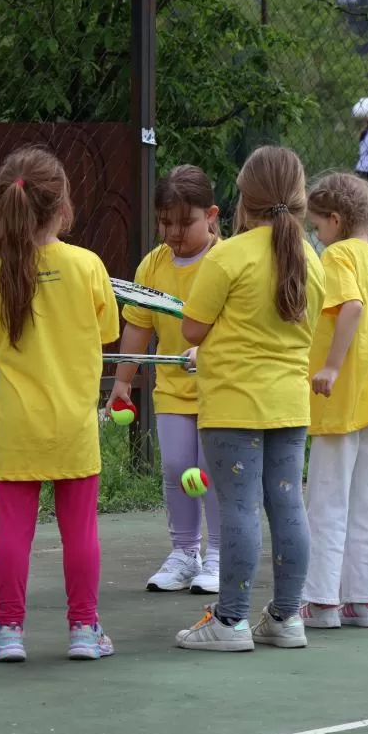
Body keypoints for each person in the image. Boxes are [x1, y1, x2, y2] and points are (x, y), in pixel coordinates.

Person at [174, 146, 326, 653]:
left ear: (243, 200)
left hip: (232, 406)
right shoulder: (311, 259)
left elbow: (192, 328)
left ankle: (231, 621)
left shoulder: (228, 256)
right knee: (288, 506)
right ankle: (286, 617)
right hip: (290, 405)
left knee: (238, 508)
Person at [0, 147, 121, 662]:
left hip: (17, 426)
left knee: (13, 533)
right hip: (73, 424)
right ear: (62, 205)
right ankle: (84, 630)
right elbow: (107, 332)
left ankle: (8, 632)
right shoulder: (88, 266)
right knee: (80, 533)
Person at [300, 172, 368, 630]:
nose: (316, 235)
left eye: (316, 226)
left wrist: (331, 365)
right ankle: (367, 602)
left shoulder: (339, 255)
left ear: (335, 219)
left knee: (326, 501)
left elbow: (352, 307)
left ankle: (321, 601)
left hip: (340, 399)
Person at [105, 165, 222, 594]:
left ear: (211, 216)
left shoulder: (225, 262)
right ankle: (185, 553)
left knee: (211, 470)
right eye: (165, 222)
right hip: (172, 388)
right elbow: (138, 327)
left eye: (184, 222)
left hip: (221, 389)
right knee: (176, 467)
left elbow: (238, 325)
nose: (173, 232)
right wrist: (122, 382)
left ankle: (220, 554)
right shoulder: (153, 265)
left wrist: (206, 352)